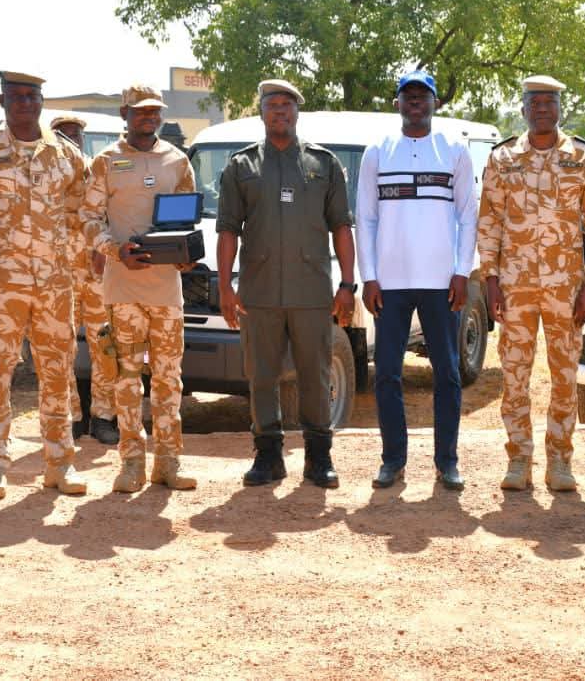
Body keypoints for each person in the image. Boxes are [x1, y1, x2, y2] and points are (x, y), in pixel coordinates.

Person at [217, 79, 355, 488]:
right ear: (261, 112)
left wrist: (348, 284)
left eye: (287, 104)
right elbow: (227, 230)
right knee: (261, 374)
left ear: (297, 112)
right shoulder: (241, 166)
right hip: (259, 292)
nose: (280, 110)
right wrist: (226, 287)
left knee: (315, 374)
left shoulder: (323, 163)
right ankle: (268, 456)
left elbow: (342, 227)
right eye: (272, 104)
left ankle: (318, 457)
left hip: (312, 291)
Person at [477, 75, 585, 492]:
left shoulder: (584, 158)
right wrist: (490, 276)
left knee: (565, 375)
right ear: (523, 109)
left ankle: (560, 461)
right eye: (534, 103)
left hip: (566, 287)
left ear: (559, 109)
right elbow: (490, 219)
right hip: (514, 286)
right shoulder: (502, 158)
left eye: (549, 103)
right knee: (514, 375)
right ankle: (519, 460)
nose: (542, 110)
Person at [0, 71, 88, 498]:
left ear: (41, 101)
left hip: (54, 285)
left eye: (31, 96)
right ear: (2, 101)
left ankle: (59, 464)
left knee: (57, 374)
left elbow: (80, 214)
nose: (24, 103)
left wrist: (70, 265)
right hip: (0, 286)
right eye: (15, 96)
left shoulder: (67, 156)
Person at [356, 70, 476, 491]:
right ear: (397, 104)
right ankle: (393, 460)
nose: (415, 103)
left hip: (442, 281)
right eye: (407, 96)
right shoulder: (377, 152)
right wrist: (368, 277)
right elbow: (365, 219)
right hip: (390, 282)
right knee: (387, 373)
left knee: (447, 373)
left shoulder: (454, 150)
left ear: (435, 103)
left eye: (423, 96)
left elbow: (467, 215)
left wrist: (463, 271)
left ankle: (447, 462)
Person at [79, 85, 197, 492]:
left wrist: (187, 252)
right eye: (140, 111)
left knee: (168, 379)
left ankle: (169, 462)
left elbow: (187, 219)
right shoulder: (106, 162)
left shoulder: (178, 161)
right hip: (123, 289)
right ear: (124, 113)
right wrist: (115, 250)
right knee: (126, 379)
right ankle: (131, 463)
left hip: (166, 290)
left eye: (154, 112)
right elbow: (89, 219)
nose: (149, 117)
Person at [52, 113, 119, 445]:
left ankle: (104, 417)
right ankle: (72, 417)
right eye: (61, 134)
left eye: (74, 133)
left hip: (95, 273)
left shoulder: (97, 171)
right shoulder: (47, 175)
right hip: (58, 275)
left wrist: (104, 248)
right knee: (59, 348)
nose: (69, 139)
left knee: (103, 346)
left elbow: (112, 213)